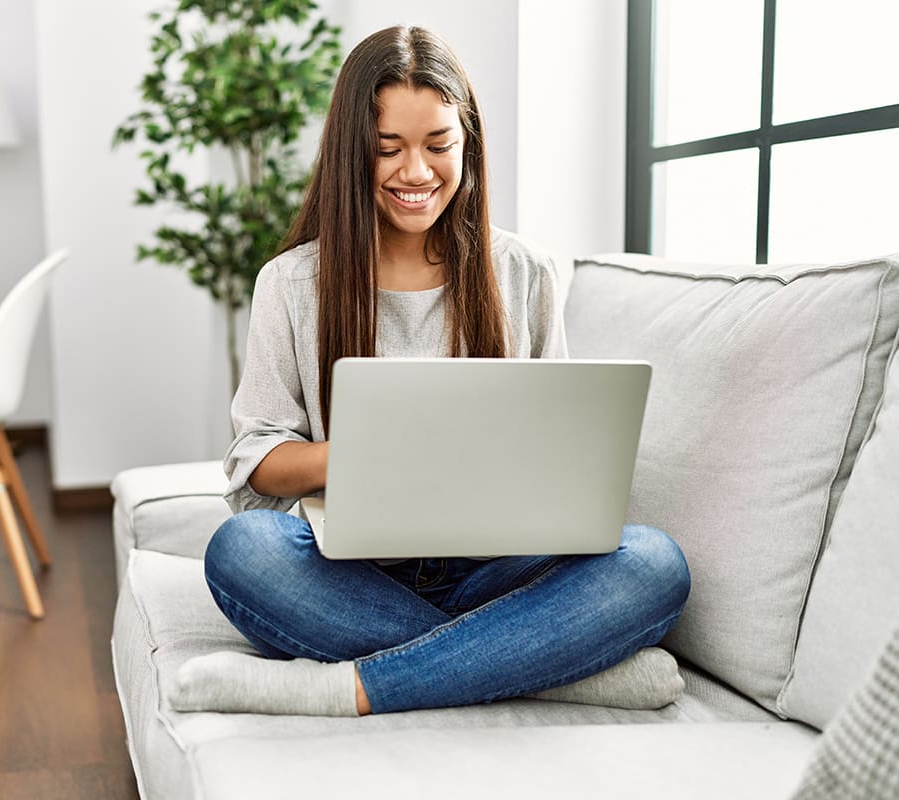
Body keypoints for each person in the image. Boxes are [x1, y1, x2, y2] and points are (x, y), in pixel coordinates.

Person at [168, 25, 690, 717]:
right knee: (242, 551)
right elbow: (256, 462)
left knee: (655, 564)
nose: (416, 172)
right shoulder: (292, 283)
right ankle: (553, 668)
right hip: (350, 570)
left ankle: (356, 686)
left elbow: (561, 451)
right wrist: (363, 455)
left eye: (439, 146)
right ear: (352, 153)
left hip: (498, 568)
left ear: (467, 144)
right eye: (389, 149)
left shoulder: (521, 271)